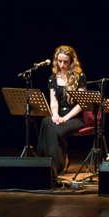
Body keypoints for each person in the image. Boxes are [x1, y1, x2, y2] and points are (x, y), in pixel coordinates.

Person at [36, 45, 88, 177]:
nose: (62, 64)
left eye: (65, 61)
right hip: (59, 115)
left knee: (57, 130)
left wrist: (65, 118)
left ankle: (56, 168)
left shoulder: (79, 76)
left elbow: (82, 104)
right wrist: (55, 114)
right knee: (46, 122)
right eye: (59, 61)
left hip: (75, 117)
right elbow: (53, 100)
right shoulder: (53, 78)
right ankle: (43, 164)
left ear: (71, 61)